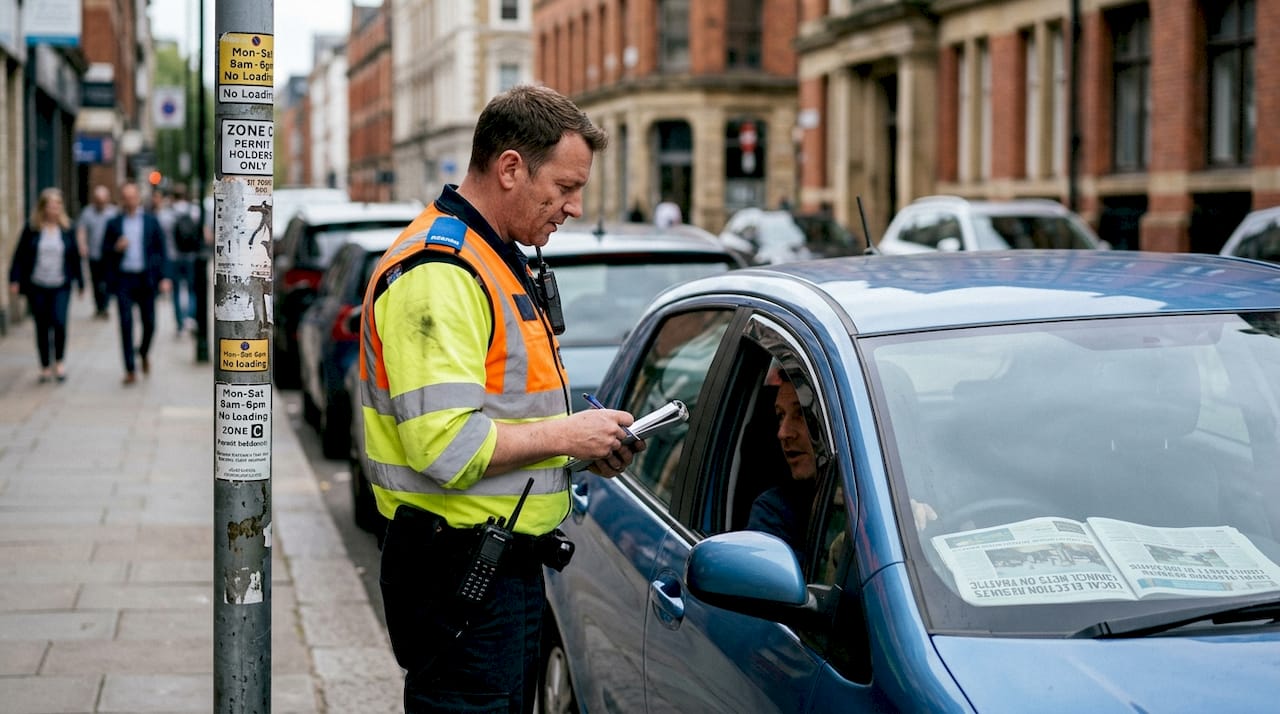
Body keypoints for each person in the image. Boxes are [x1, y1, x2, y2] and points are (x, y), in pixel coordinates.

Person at [358, 84, 642, 713]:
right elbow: (447, 446)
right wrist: (570, 436)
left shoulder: (491, 255)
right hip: (459, 575)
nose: (572, 207)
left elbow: (507, 415)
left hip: (493, 567)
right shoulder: (441, 271)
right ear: (511, 167)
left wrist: (580, 447)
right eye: (565, 188)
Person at [8, 188, 84, 383]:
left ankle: (59, 361)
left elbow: (75, 257)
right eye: (51, 205)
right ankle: (44, 365)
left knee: (59, 322)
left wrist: (81, 282)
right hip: (38, 284)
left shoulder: (67, 229)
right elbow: (20, 256)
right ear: (43, 208)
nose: (55, 209)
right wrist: (14, 279)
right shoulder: (32, 228)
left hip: (61, 284)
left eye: (58, 205)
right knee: (42, 325)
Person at [746, 367, 819, 561]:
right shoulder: (772, 512)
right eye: (780, 416)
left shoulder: (892, 502)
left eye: (800, 414)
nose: (783, 433)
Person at [103, 182, 170, 384]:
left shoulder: (151, 221)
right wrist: (116, 248)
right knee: (125, 324)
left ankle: (143, 351)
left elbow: (161, 249)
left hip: (146, 278)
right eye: (126, 196)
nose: (130, 200)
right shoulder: (114, 223)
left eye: (133, 196)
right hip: (124, 279)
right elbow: (104, 252)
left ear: (138, 198)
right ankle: (130, 369)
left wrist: (165, 277)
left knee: (150, 323)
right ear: (122, 199)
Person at [76, 184, 118, 318]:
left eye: (103, 201)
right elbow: (81, 230)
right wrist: (82, 245)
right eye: (98, 201)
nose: (100, 204)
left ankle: (105, 306)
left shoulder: (113, 213)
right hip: (94, 253)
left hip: (109, 254)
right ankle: (99, 306)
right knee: (95, 281)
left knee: (106, 281)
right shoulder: (87, 212)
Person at [167, 183, 200, 333]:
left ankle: (180, 322)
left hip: (173, 257)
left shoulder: (167, 214)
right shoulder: (194, 211)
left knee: (176, 291)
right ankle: (190, 318)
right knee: (191, 288)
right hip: (190, 255)